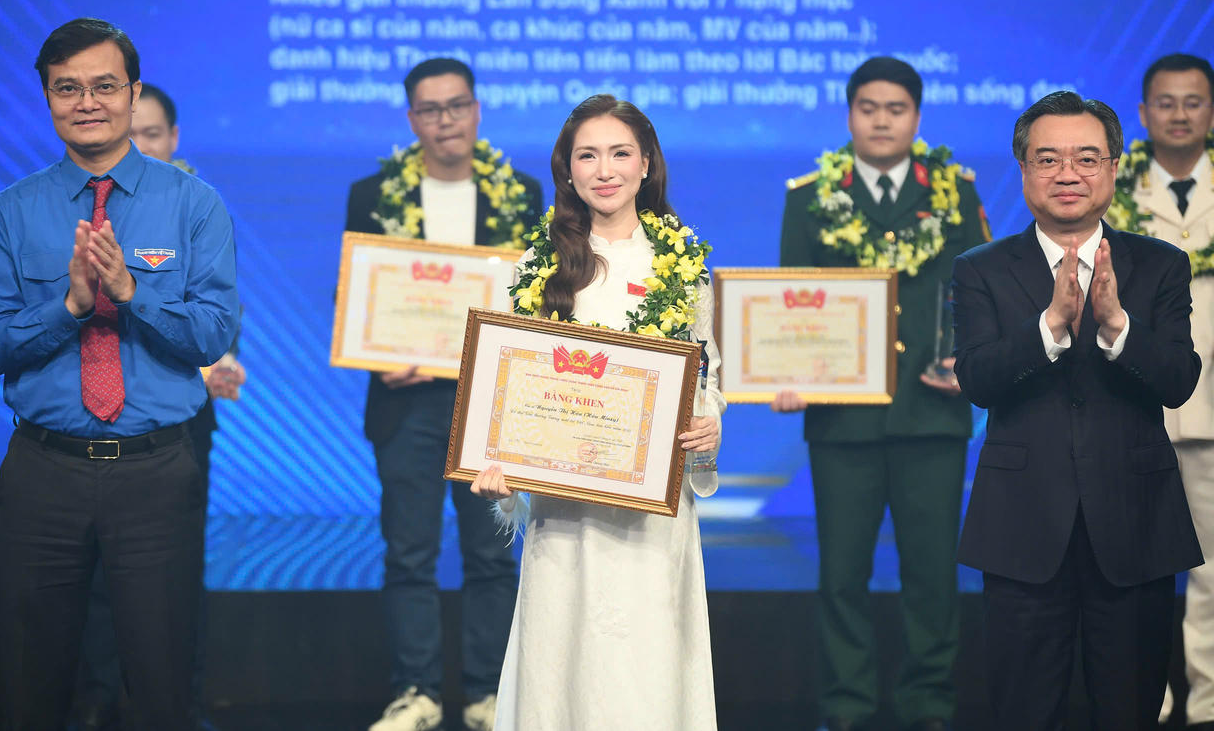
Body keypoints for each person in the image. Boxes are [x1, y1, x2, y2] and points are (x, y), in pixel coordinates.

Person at [0, 17, 239, 729]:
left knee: (161, 686)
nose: (87, 102)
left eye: (104, 86)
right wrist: (70, 307)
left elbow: (214, 332)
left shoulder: (193, 204)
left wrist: (131, 295)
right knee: (33, 685)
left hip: (155, 472)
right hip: (43, 472)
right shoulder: (12, 211)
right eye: (67, 88)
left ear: (133, 92)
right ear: (48, 98)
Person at [471, 93, 726, 731]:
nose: (604, 170)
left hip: (653, 518)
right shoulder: (535, 267)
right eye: (587, 155)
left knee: (645, 673)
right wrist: (501, 469)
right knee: (562, 672)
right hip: (565, 516)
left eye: (620, 153)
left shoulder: (683, 267)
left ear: (646, 165)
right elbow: (510, 387)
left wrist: (708, 427)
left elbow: (706, 377)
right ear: (567, 169)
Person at [953, 90, 1202, 729]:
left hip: (1135, 526)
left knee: (1130, 711)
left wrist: (1117, 325)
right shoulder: (981, 268)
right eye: (1049, 159)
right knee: (1023, 712)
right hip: (1022, 530)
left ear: (1114, 168)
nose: (1068, 173)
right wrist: (1050, 325)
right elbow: (978, 379)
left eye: (1087, 158)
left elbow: (1179, 380)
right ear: (1024, 169)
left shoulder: (1161, 264)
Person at [774, 56, 989, 731]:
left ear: (916, 117)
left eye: (896, 109)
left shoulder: (954, 192)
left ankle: (929, 703)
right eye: (868, 108)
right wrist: (787, 371)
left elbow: (978, 294)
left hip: (933, 411)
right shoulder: (810, 197)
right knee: (842, 574)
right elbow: (789, 303)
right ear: (849, 115)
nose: (881, 120)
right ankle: (847, 706)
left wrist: (970, 359)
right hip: (842, 419)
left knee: (932, 574)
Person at [344, 58, 542, 731]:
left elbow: (538, 297)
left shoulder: (520, 193)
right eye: (430, 109)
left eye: (457, 105)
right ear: (412, 120)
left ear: (477, 110)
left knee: (491, 552)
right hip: (408, 401)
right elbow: (356, 293)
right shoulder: (373, 194)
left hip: (493, 401)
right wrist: (377, 356)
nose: (446, 120)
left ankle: (489, 692)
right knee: (409, 552)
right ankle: (416, 691)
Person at [69, 82, 244, 731]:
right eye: (129, 132)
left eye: (150, 134)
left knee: (174, 573)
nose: (137, 145)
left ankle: (180, 706)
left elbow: (218, 311)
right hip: (88, 424)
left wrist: (220, 362)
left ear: (173, 139)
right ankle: (98, 700)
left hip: (177, 427)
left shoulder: (197, 210)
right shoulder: (74, 208)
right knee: (92, 570)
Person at [1111, 54, 1214, 729]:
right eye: (1165, 102)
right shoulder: (1108, 186)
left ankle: (1208, 701)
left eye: (1193, 101)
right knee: (1130, 561)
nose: (1179, 114)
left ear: (1211, 112)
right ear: (1144, 112)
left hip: (1213, 404)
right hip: (1131, 399)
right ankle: (1144, 697)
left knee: (1213, 566)